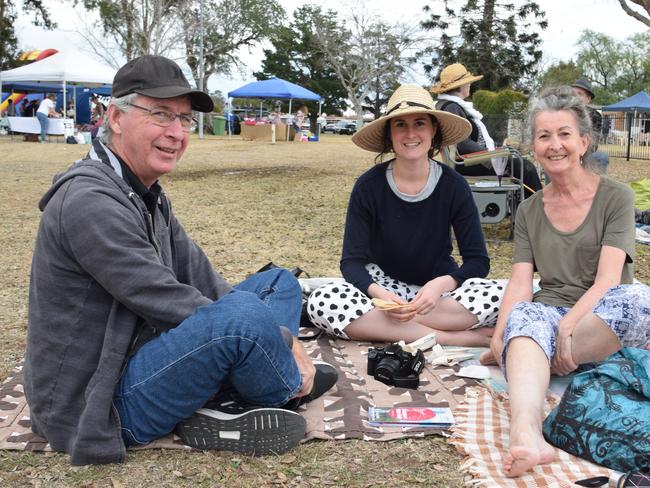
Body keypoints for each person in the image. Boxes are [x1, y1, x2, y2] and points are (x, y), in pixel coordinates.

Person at [24, 55, 337, 466]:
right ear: (116, 117)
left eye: (184, 120)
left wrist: (269, 329)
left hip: (140, 351)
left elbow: (203, 280)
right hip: (103, 399)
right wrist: (284, 338)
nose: (176, 133)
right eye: (160, 114)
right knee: (241, 319)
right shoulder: (89, 201)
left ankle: (234, 390)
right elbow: (166, 300)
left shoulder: (144, 191)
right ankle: (280, 386)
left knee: (278, 283)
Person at [479, 85, 650, 477]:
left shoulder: (617, 197)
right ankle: (527, 433)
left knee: (638, 299)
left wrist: (568, 328)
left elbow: (610, 279)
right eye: (543, 136)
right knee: (524, 316)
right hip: (553, 312)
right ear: (533, 146)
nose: (554, 145)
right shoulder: (528, 210)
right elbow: (521, 282)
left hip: (601, 315)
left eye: (564, 134)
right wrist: (500, 334)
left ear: (584, 142)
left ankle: (543, 356)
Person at [306, 84, 502, 346]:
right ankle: (452, 338)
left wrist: (442, 284)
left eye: (420, 123)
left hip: (437, 297)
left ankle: (391, 329)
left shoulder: (454, 186)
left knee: (505, 295)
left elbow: (478, 261)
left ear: (434, 130)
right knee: (324, 302)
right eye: (400, 125)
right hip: (384, 291)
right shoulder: (368, 186)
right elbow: (351, 262)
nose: (411, 133)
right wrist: (380, 295)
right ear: (389, 134)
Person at [431, 63, 543, 198]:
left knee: (519, 164)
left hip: (471, 160)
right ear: (460, 86)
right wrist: (491, 154)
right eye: (468, 83)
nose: (470, 85)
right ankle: (538, 210)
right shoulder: (451, 107)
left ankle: (527, 209)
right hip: (467, 163)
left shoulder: (449, 106)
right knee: (525, 167)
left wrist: (497, 147)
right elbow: (461, 143)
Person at [572, 78, 609, 174]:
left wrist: (579, 154)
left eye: (580, 94)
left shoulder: (595, 115)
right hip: (565, 151)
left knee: (601, 157)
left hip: (585, 152)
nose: (575, 96)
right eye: (573, 93)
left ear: (588, 99)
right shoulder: (563, 112)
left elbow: (594, 143)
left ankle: (596, 186)